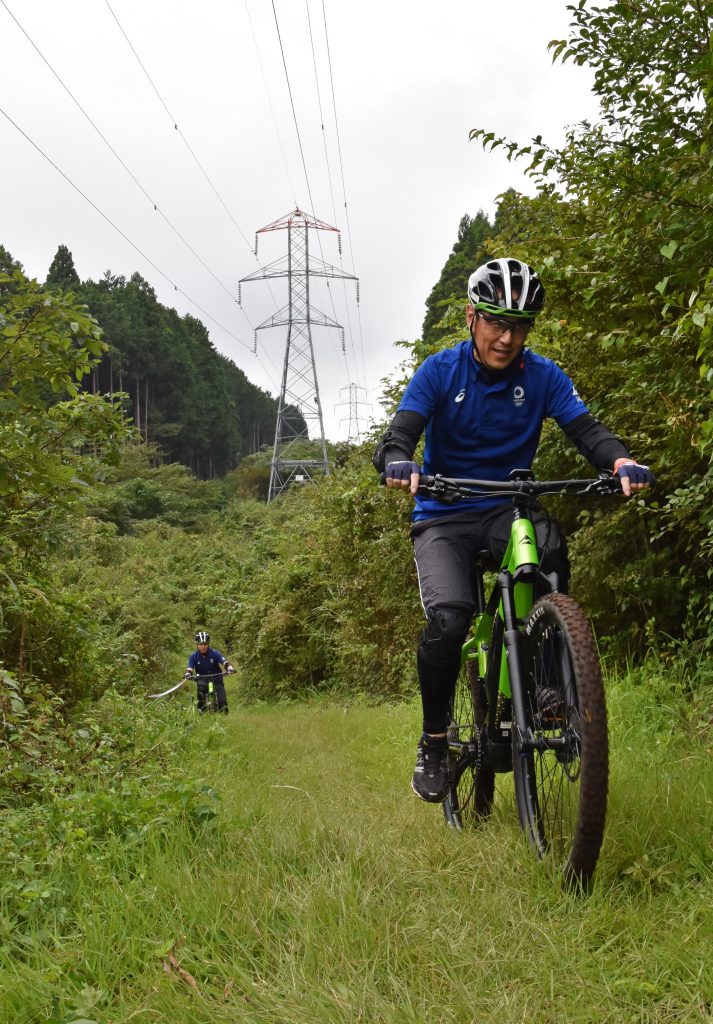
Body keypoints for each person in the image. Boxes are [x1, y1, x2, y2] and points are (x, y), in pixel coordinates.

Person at [373, 257, 653, 803]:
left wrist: (620, 462)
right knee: (450, 622)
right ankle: (434, 742)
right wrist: (399, 461)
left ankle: (544, 681)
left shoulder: (544, 376)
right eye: (497, 323)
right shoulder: (440, 371)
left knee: (548, 548)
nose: (507, 337)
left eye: (519, 327)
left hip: (508, 508)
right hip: (444, 513)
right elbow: (400, 433)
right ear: (472, 317)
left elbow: (587, 431)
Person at [184, 630, 235, 713]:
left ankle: (225, 718)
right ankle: (202, 716)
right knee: (201, 700)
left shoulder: (215, 653)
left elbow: (224, 662)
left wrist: (229, 668)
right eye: (201, 644)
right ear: (197, 644)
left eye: (205, 644)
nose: (203, 647)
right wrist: (188, 674)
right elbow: (190, 668)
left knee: (222, 702)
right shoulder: (193, 656)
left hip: (216, 678)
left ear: (208, 644)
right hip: (202, 679)